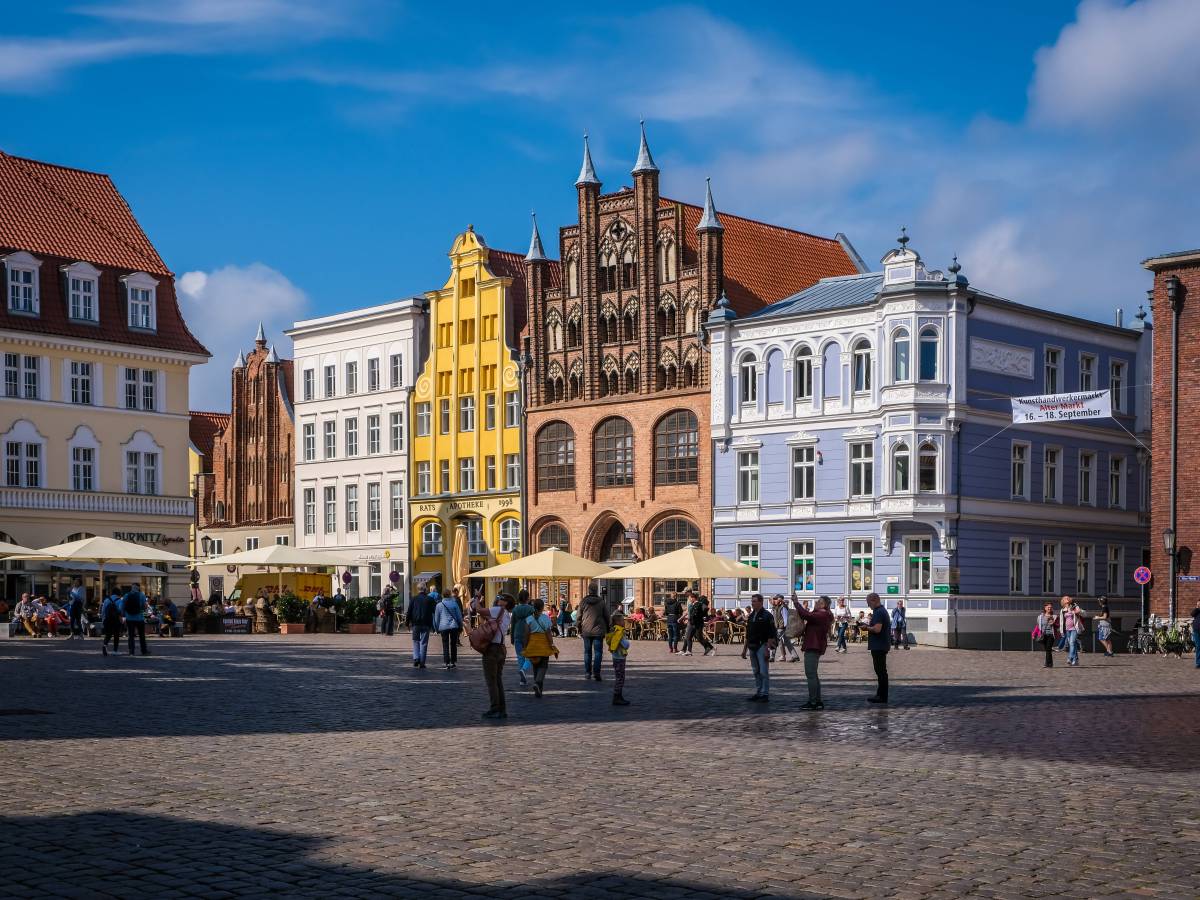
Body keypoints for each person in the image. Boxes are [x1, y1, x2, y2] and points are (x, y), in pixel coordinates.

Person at [472, 593, 512, 720]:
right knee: (498, 680)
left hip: (492, 649)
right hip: (501, 648)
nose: (498, 599)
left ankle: (495, 708)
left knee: (491, 681)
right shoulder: (506, 614)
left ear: (505, 603)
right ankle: (502, 709)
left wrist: (477, 599)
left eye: (501, 599)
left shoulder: (498, 610)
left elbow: (478, 610)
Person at [793, 595, 834, 710]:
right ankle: (817, 700)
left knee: (810, 674)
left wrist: (796, 602)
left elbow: (806, 615)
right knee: (813, 675)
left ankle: (813, 702)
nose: (816, 602)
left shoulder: (823, 614)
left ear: (823, 604)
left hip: (814, 645)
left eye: (819, 601)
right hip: (814, 645)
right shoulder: (823, 614)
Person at [741, 593, 777, 702]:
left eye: (755, 601)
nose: (752, 603)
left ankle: (765, 694)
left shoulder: (767, 615)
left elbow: (771, 633)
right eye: (752, 601)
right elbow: (748, 634)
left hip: (762, 646)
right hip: (752, 646)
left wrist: (767, 649)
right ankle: (759, 691)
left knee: (763, 671)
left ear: (761, 602)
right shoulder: (751, 616)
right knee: (756, 671)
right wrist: (744, 650)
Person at [524, 597, 558, 697]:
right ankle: (538, 683)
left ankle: (538, 690)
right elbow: (548, 633)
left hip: (533, 644)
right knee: (543, 665)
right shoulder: (545, 618)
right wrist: (551, 644)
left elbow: (526, 634)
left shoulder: (529, 619)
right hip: (543, 644)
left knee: (535, 665)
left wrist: (525, 646)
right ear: (542, 607)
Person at [577, 582, 611, 682]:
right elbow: (607, 616)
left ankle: (587, 672)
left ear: (588, 590)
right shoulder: (601, 601)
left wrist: (579, 627)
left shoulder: (583, 601)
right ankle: (597, 673)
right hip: (598, 630)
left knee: (587, 652)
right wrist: (609, 628)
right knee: (598, 652)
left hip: (586, 630)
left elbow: (579, 616)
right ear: (597, 590)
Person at [864, 592, 889, 703]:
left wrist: (866, 628)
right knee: (881, 672)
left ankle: (882, 696)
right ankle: (881, 695)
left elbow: (877, 629)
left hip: (879, 645)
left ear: (874, 600)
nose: (868, 605)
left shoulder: (879, 612)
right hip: (881, 645)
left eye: (868, 603)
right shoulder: (881, 611)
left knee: (881, 672)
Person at [433, 588, 464, 669]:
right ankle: (453, 661)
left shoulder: (439, 605)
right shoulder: (454, 603)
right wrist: (460, 625)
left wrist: (436, 628)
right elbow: (459, 616)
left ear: (442, 595)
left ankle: (447, 662)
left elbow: (436, 618)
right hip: (454, 626)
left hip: (443, 627)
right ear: (450, 594)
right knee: (453, 644)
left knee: (445, 644)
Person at [406, 585, 436, 669]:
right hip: (426, 623)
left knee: (415, 641)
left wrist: (407, 623)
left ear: (417, 589)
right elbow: (435, 610)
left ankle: (416, 658)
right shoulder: (430, 599)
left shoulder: (413, 599)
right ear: (425, 589)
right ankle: (422, 662)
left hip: (415, 623)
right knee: (424, 643)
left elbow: (409, 611)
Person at [511, 589, 535, 687]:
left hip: (517, 633)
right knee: (529, 656)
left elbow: (512, 624)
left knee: (520, 657)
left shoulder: (515, 609)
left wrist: (512, 637)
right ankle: (524, 670)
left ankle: (522, 680)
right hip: (528, 634)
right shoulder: (531, 609)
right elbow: (533, 622)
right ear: (527, 598)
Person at [607, 612, 631, 706]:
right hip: (619, 657)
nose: (624, 622)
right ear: (618, 622)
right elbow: (625, 644)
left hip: (616, 657)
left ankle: (619, 696)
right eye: (622, 620)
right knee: (620, 678)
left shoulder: (613, 630)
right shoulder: (619, 632)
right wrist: (628, 642)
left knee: (619, 677)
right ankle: (617, 697)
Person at [1057, 595, 1086, 667]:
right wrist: (1061, 631)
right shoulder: (1062, 610)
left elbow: (1084, 614)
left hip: (1074, 629)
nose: (1067, 598)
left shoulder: (1074, 606)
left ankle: (1070, 658)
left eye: (1068, 598)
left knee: (1072, 643)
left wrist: (1079, 611)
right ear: (1063, 601)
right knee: (1072, 644)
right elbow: (1061, 621)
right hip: (1067, 629)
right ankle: (1075, 660)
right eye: (1065, 598)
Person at [122, 584, 150, 656]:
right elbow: (144, 607)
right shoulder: (142, 595)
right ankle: (144, 651)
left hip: (129, 618)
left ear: (132, 588)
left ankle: (131, 651)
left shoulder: (126, 595)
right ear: (138, 588)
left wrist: (124, 615)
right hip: (139, 618)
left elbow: (122, 607)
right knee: (142, 635)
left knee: (131, 635)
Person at [683, 592, 714, 657]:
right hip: (694, 623)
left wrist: (688, 618)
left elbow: (695, 614)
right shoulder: (695, 604)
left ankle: (711, 648)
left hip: (696, 624)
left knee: (694, 637)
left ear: (693, 598)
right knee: (695, 637)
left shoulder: (697, 604)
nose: (689, 599)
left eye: (690, 598)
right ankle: (708, 647)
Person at [771, 595, 800, 663]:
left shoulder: (783, 608)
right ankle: (795, 656)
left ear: (780, 600)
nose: (774, 600)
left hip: (782, 628)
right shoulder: (775, 608)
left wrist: (785, 628)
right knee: (787, 642)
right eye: (774, 599)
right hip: (778, 627)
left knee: (775, 640)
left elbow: (786, 618)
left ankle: (771, 656)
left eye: (776, 599)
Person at [1036, 602, 1058, 668]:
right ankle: (1050, 663)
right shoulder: (1040, 617)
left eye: (1050, 607)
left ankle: (1047, 664)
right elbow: (1038, 626)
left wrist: (1054, 623)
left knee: (1048, 648)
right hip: (1044, 635)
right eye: (1048, 607)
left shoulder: (1054, 616)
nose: (1049, 608)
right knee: (1047, 650)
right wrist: (1035, 633)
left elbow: (1058, 625)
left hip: (1051, 635)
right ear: (1045, 608)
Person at [1192, 603, 1200, 669]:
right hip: (1197, 630)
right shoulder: (1197, 610)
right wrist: (1197, 607)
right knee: (1198, 646)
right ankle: (1198, 663)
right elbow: (1192, 614)